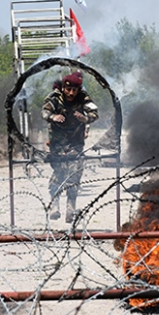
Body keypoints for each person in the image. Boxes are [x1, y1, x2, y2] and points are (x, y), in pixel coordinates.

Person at [41, 71, 98, 222]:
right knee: (59, 173)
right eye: (68, 89)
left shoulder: (83, 98)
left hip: (75, 143)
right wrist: (53, 117)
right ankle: (54, 205)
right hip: (57, 144)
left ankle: (70, 208)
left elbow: (94, 112)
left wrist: (85, 118)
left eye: (74, 90)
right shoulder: (55, 98)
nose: (71, 93)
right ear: (63, 88)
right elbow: (45, 111)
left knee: (74, 174)